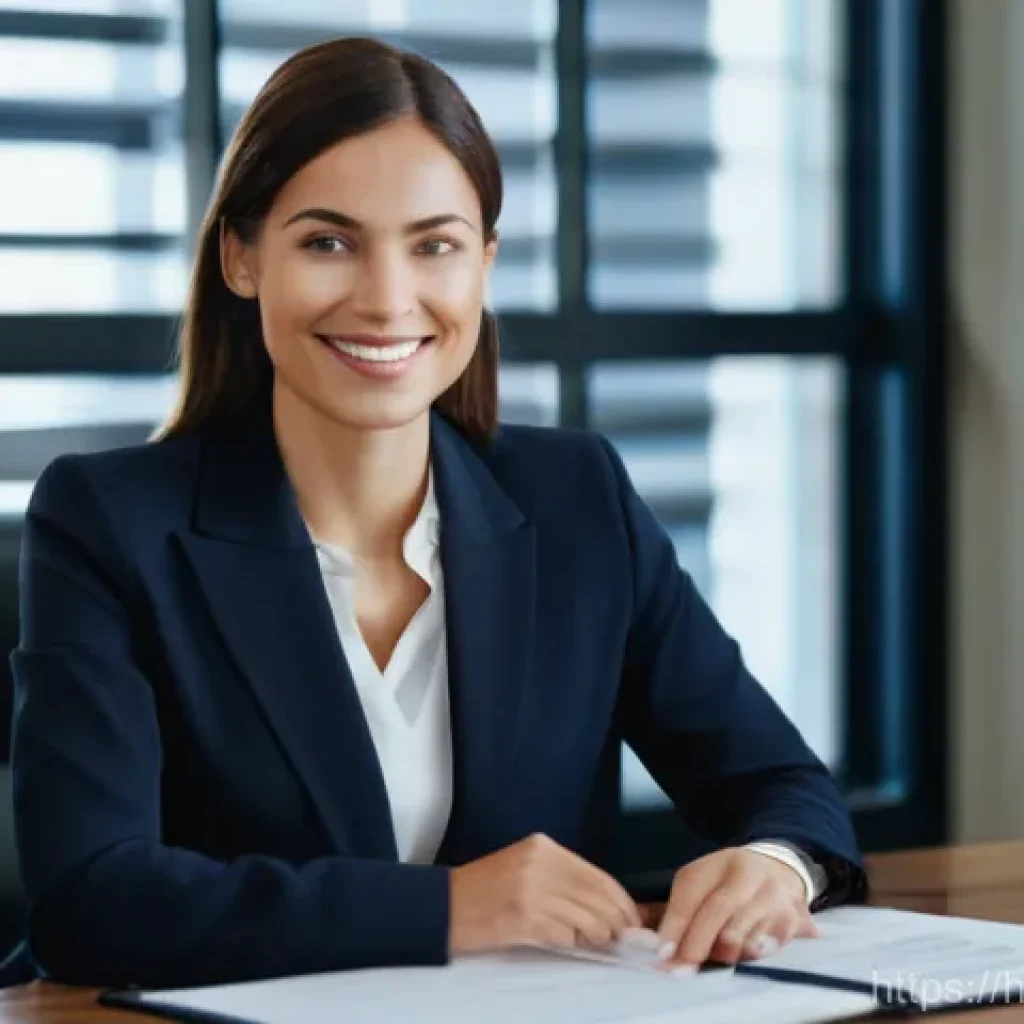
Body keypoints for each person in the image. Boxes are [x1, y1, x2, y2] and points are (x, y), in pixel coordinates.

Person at [9, 36, 865, 990]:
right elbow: (89, 900)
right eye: (328, 242)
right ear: (242, 257)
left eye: (435, 246)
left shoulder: (579, 499)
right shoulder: (108, 520)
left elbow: (784, 787)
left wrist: (773, 865)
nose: (387, 300)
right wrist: (452, 907)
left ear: (484, 263)